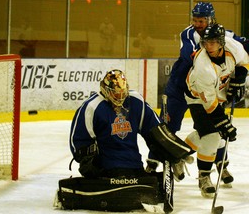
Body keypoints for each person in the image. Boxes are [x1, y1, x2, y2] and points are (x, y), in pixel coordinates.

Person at [55, 69, 192, 212]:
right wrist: (88, 164)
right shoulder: (92, 106)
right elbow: (78, 140)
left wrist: (174, 153)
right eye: (115, 93)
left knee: (144, 182)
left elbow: (156, 131)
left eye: (122, 92)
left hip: (134, 165)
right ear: (106, 90)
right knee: (138, 187)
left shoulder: (135, 101)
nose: (120, 97)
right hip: (107, 168)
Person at [152, 1, 247, 182]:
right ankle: (160, 159)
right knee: (176, 127)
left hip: (210, 88)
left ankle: (221, 165)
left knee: (212, 130)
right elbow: (192, 55)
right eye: (194, 20)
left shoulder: (223, 35)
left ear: (210, 19)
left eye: (201, 21)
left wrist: (241, 75)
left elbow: (243, 48)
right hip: (183, 89)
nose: (197, 24)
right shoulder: (189, 36)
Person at [185, 23, 249, 198]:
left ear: (221, 42)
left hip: (216, 93)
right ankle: (204, 177)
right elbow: (209, 104)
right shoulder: (203, 66)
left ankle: (178, 154)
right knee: (212, 135)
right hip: (197, 97)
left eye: (213, 42)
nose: (209, 46)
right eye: (206, 42)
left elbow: (244, 61)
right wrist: (224, 124)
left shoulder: (233, 46)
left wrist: (240, 78)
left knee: (210, 133)